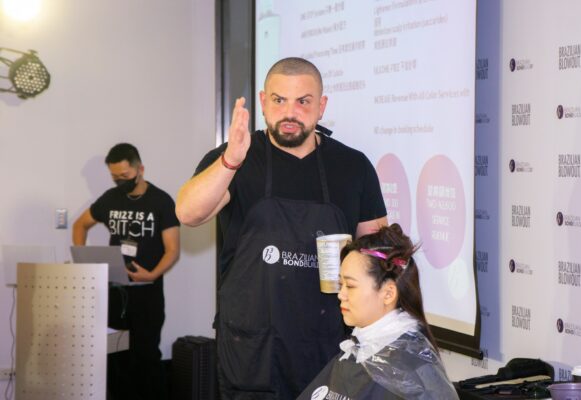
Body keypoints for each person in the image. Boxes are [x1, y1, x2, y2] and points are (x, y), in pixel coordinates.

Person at [176, 57, 388, 399]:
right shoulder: (236, 158)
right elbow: (188, 213)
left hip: (327, 346)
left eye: (303, 101)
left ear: (321, 106)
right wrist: (231, 161)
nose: (290, 112)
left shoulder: (353, 166)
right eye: (279, 100)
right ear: (263, 102)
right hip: (252, 349)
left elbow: (378, 254)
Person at [299, 224, 459, 399]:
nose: (341, 294)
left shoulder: (413, 370)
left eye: (350, 286)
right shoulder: (358, 348)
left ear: (388, 294)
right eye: (340, 284)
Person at [72, 143, 180, 400]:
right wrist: (83, 259)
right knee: (114, 357)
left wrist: (152, 275)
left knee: (146, 356)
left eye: (125, 176)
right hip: (114, 293)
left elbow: (173, 250)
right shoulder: (110, 199)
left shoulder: (161, 201)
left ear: (140, 169)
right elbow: (79, 225)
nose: (120, 181)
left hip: (147, 293)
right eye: (115, 177)